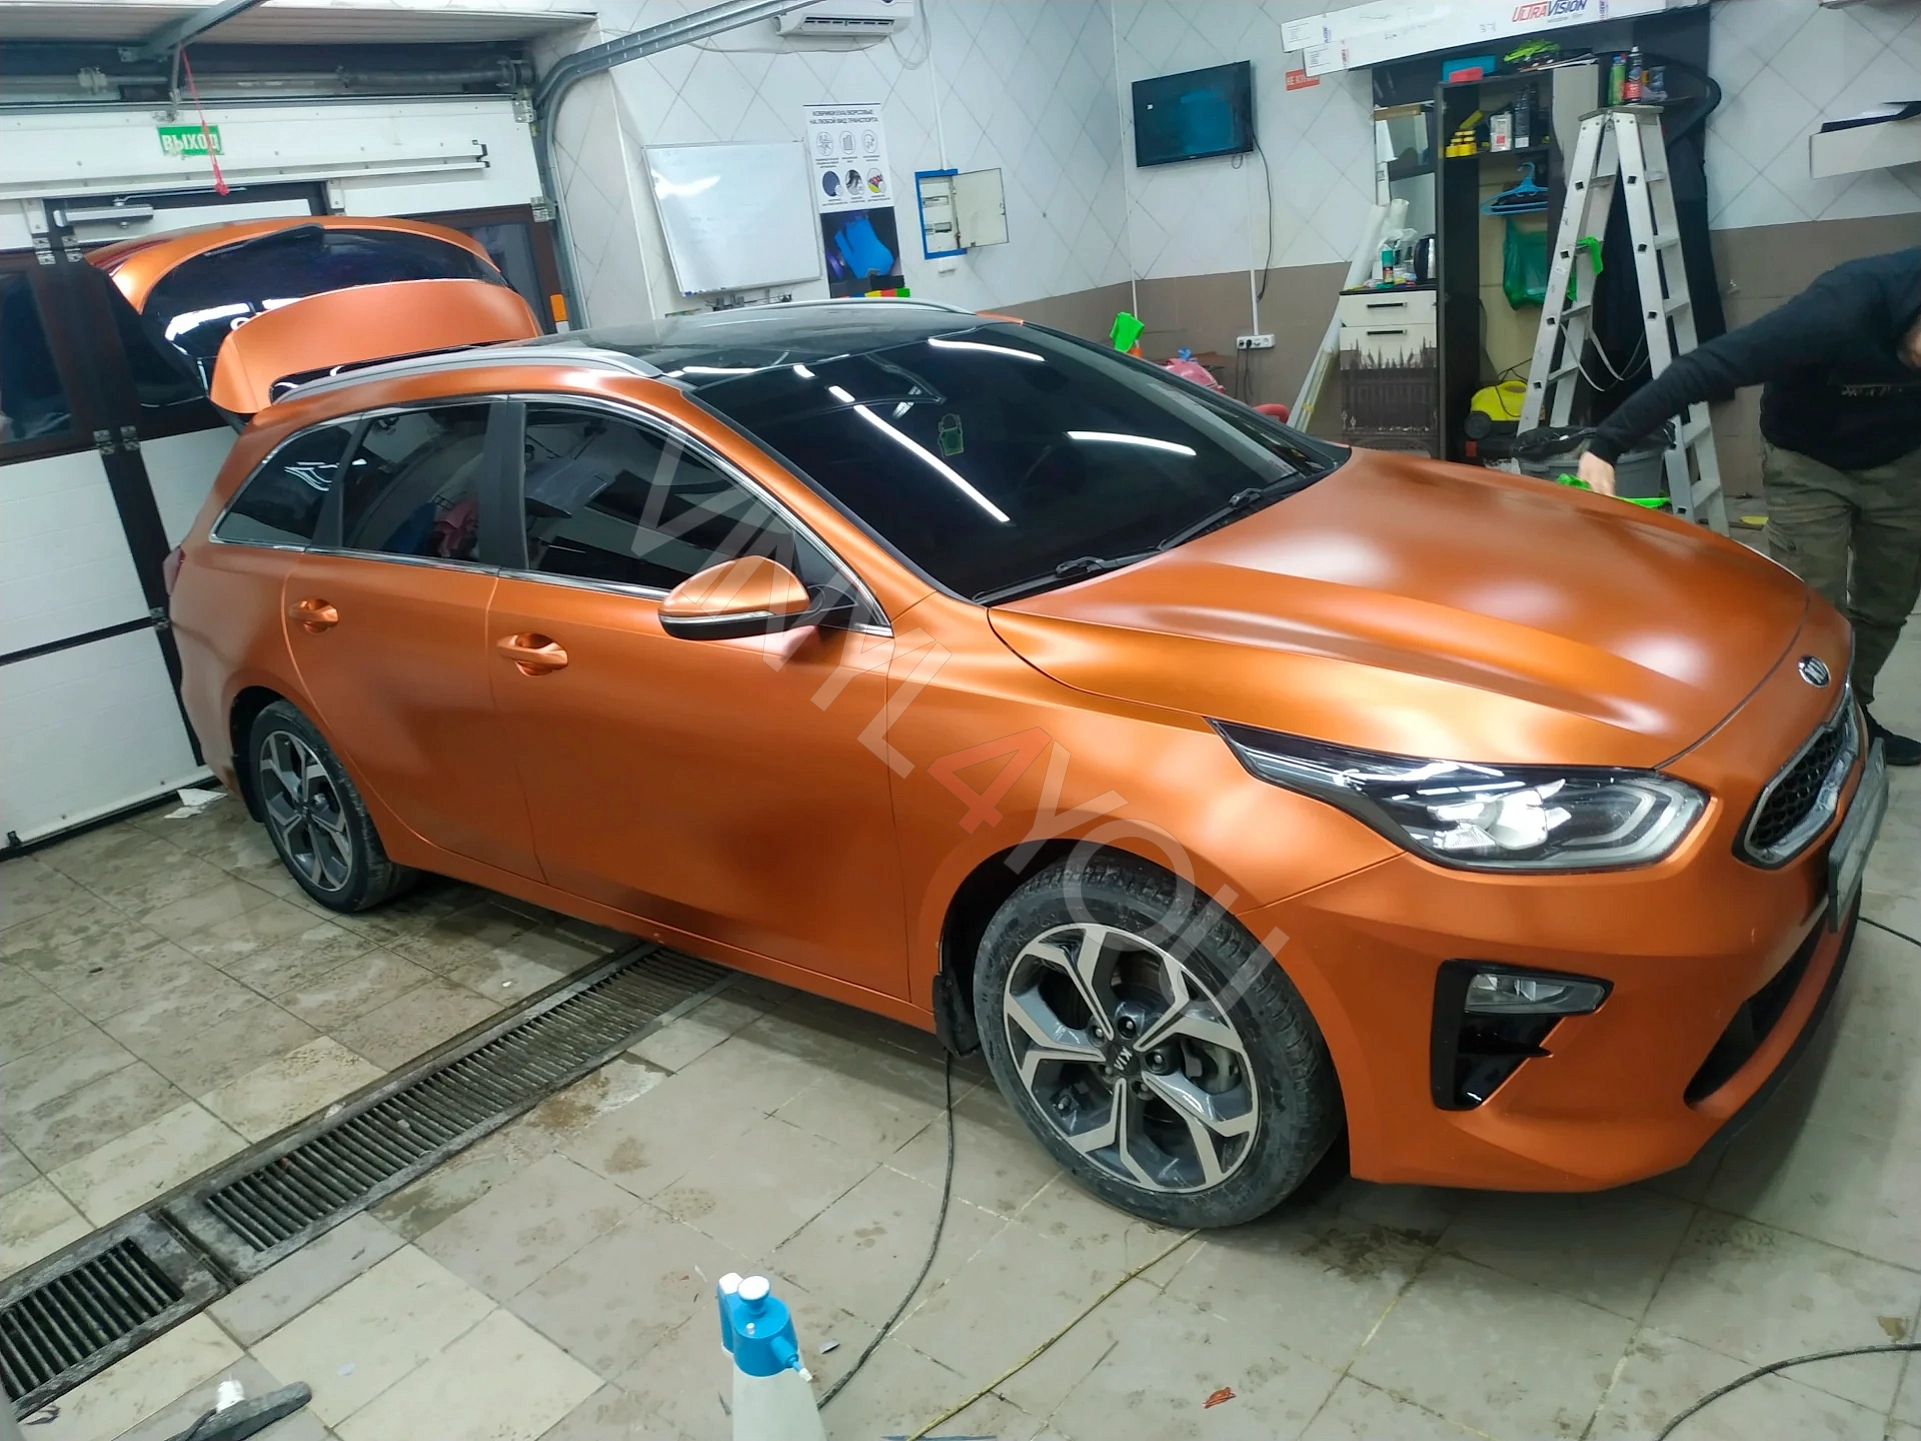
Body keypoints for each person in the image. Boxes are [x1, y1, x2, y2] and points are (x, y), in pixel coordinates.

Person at [1578, 248, 1921, 765]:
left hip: (1900, 463)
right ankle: (1814, 732)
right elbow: (1706, 368)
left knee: (1887, 603)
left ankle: (1852, 713)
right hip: (1808, 461)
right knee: (1815, 609)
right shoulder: (1839, 310)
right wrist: (1606, 445)